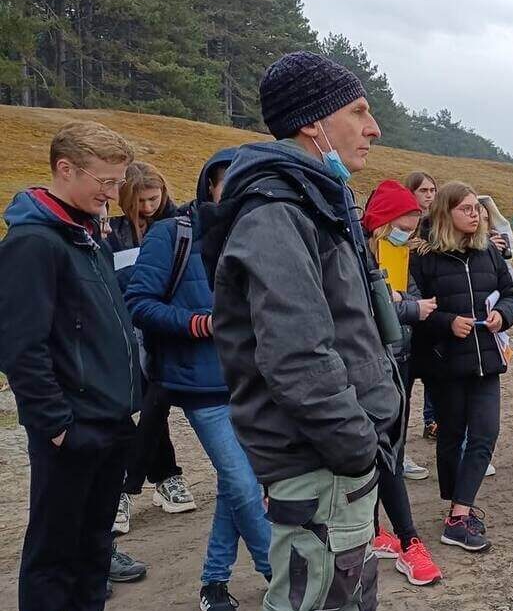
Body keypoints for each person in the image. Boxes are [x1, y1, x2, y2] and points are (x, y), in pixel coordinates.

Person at [203, 51, 403, 611]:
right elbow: (297, 357)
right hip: (320, 464)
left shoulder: (313, 202)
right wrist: (357, 445)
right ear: (314, 122)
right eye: (359, 111)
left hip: (332, 465)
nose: (374, 128)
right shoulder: (277, 211)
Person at [0, 121, 147, 611]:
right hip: (72, 430)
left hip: (111, 423)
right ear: (65, 169)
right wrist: (57, 426)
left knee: (94, 552)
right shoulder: (34, 244)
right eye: (105, 182)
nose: (112, 194)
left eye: (117, 182)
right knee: (54, 558)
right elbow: (22, 345)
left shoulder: (87, 235)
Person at [123, 149, 273, 610]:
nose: (235, 189)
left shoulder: (263, 236)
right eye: (227, 180)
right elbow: (139, 302)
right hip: (202, 384)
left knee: (235, 485)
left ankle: (213, 583)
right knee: (245, 486)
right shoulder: (173, 234)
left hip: (255, 381)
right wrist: (196, 323)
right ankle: (283, 573)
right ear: (210, 185)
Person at [410, 182, 513, 553]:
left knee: (486, 432)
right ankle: (456, 508)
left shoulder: (488, 252)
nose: (475, 214)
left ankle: (458, 514)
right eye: (467, 209)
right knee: (453, 436)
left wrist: (503, 316)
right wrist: (446, 322)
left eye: (476, 209)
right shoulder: (423, 258)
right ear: (446, 213)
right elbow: (413, 309)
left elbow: (510, 294)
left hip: (486, 358)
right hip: (445, 362)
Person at [361, 180, 443, 587]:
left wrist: (402, 304)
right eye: (404, 224)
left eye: (413, 227)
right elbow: (372, 306)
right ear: (383, 221)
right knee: (378, 452)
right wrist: (406, 306)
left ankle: (391, 535)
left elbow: (405, 298)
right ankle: (401, 538)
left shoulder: (405, 252)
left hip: (400, 358)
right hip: (365, 366)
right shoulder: (360, 253)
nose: (409, 233)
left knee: (390, 448)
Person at [112, 160, 195, 536]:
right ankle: (161, 477)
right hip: (129, 335)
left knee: (155, 405)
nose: (147, 206)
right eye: (140, 200)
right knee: (143, 408)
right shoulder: (113, 232)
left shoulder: (178, 224)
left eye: (153, 197)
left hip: (167, 331)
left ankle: (128, 487)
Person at [402, 171, 440, 439]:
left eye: (432, 190)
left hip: (431, 306)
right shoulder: (402, 227)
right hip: (408, 308)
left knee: (434, 372)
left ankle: (432, 419)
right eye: (423, 190)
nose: (429, 195)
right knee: (406, 376)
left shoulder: (437, 224)